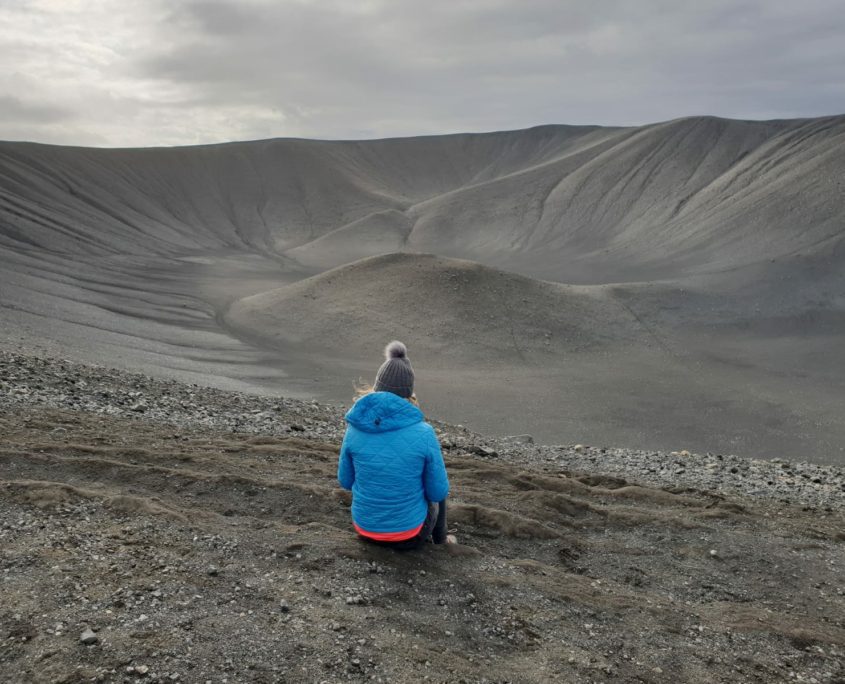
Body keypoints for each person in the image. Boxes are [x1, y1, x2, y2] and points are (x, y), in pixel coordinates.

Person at [337, 340, 454, 549]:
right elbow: (437, 493)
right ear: (409, 392)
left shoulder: (354, 428)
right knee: (439, 490)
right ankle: (441, 540)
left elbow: (345, 481)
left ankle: (377, 520)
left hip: (364, 529)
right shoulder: (424, 433)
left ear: (377, 387)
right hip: (409, 536)